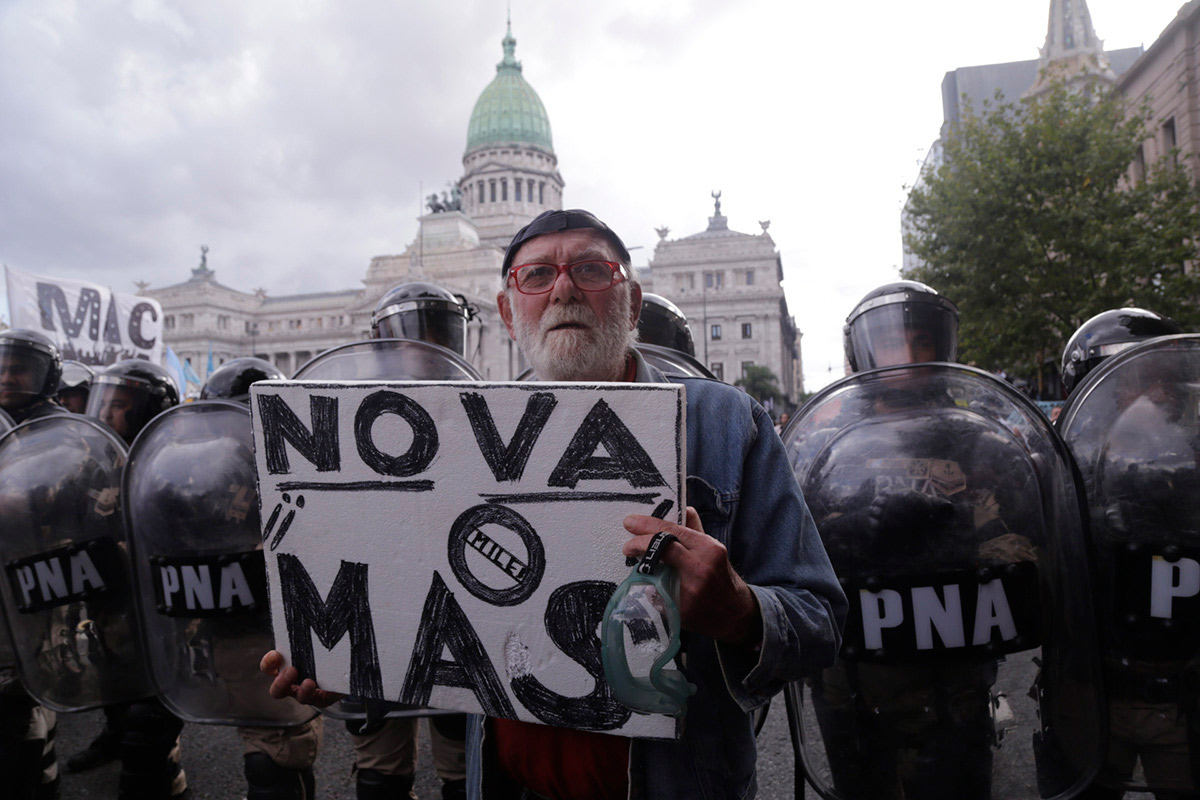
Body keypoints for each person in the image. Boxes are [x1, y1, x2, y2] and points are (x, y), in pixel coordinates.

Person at [263, 208, 847, 799]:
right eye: (538, 275)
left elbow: (820, 621)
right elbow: (426, 596)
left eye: (591, 270)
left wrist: (739, 610)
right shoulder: (452, 434)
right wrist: (351, 657)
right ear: (506, 311)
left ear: (632, 302)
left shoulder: (725, 422)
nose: (563, 289)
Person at [801, 281, 1038, 799]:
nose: (906, 356)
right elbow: (796, 548)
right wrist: (853, 528)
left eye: (921, 341)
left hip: (952, 663)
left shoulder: (979, 437)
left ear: (942, 346)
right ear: (862, 353)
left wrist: (959, 534)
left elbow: (1020, 543)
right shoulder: (822, 446)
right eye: (890, 343)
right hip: (856, 666)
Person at [1058, 309, 1197, 799]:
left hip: (1184, 697)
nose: (1152, 396)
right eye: (1132, 383)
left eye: (1162, 381)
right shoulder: (1060, 469)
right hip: (1093, 695)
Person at [69, 358, 188, 799]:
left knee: (148, 719)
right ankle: (114, 737)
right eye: (103, 402)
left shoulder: (175, 465)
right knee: (112, 682)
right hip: (108, 600)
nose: (105, 413)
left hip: (159, 608)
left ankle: (160, 770)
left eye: (118, 405)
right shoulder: (89, 465)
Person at [0, 330, 66, 799]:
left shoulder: (59, 432)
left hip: (35, 586)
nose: (7, 377)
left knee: (17, 710)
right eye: (2, 367)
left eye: (19, 368)